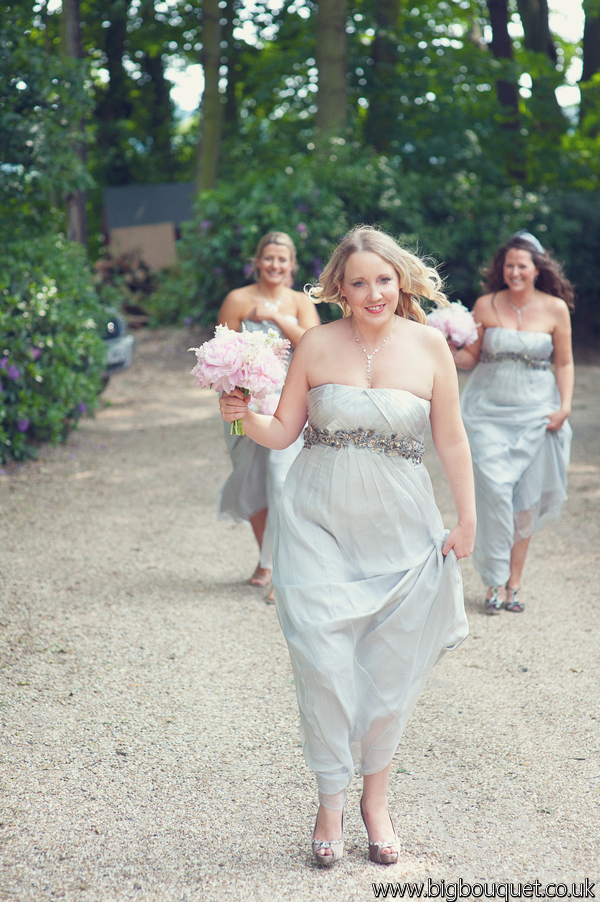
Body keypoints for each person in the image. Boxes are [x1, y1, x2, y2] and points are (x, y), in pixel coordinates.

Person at [219, 226, 475, 866]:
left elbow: (452, 442)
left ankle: (375, 803)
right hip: (316, 524)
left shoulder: (430, 348)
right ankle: (330, 801)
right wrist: (238, 412)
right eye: (358, 282)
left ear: (400, 280)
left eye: (383, 280)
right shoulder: (314, 345)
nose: (372, 293)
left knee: (387, 673)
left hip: (401, 529)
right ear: (337, 287)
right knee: (323, 663)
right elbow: (280, 433)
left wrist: (466, 519)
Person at [451, 232, 574, 614]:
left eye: (522, 265)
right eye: (509, 265)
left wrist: (565, 406)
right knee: (494, 495)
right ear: (501, 270)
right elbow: (470, 359)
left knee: (523, 502)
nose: (515, 271)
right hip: (487, 413)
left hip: (537, 416)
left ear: (537, 268)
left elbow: (565, 362)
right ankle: (491, 580)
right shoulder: (485, 304)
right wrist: (447, 343)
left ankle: (513, 584)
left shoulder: (555, 309)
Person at [216, 232, 321, 600]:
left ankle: (279, 568)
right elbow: (220, 353)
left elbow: (313, 343)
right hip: (242, 403)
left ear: (292, 266)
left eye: (283, 260)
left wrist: (275, 316)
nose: (275, 265)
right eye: (269, 258)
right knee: (251, 479)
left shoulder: (299, 301)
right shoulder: (238, 300)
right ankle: (266, 559)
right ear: (257, 261)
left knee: (280, 482)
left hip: (286, 401)